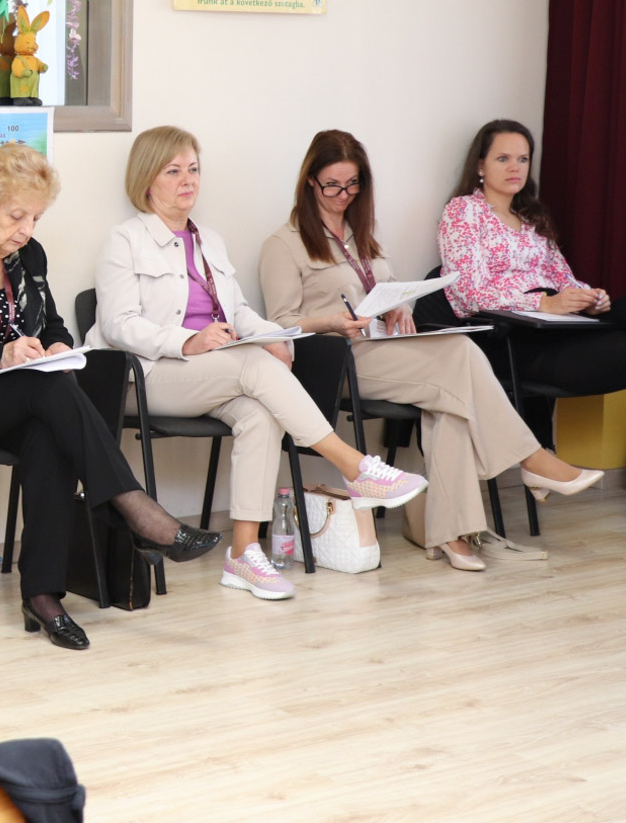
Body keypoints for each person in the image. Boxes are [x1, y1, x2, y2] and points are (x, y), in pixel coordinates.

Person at [0, 143, 220, 649]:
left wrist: (59, 346)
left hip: (17, 400)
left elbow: (51, 324)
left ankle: (43, 596)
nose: (25, 230)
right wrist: (0, 355)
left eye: (35, 218)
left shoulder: (29, 256)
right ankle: (132, 507)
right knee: (47, 389)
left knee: (48, 431)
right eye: (15, 216)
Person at [87, 126, 428, 601]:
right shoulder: (125, 240)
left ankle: (243, 555)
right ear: (147, 180)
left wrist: (275, 337)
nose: (188, 180)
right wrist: (189, 341)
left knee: (260, 412)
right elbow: (118, 324)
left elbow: (239, 312)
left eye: (193, 169)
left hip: (210, 374)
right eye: (173, 171)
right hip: (143, 377)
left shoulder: (209, 240)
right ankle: (355, 467)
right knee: (252, 364)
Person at [260, 130, 601, 570]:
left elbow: (383, 288)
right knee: (458, 358)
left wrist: (400, 306)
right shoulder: (283, 244)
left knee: (451, 395)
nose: (343, 195)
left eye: (353, 185)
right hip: (336, 360)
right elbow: (280, 324)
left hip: (384, 348)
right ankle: (531, 459)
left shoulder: (362, 235)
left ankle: (451, 534)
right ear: (310, 181)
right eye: (332, 185)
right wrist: (331, 321)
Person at [438, 118, 626, 536]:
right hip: (513, 339)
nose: (515, 167)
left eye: (523, 159)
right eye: (503, 158)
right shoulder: (464, 212)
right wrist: (542, 302)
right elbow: (466, 293)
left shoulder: (532, 217)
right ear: (480, 165)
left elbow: (563, 277)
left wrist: (589, 298)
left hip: (560, 326)